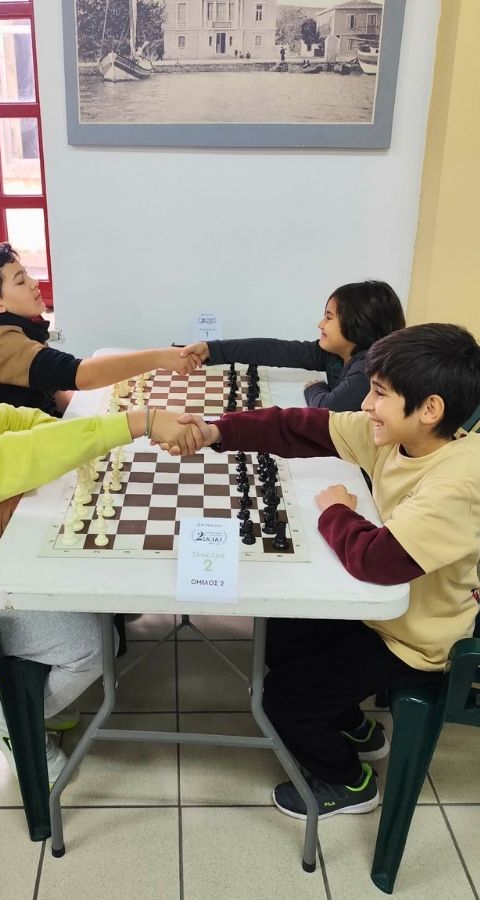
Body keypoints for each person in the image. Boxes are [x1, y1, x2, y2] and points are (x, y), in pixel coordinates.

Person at [0, 297, 204, 783]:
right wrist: (140, 421)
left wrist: (11, 481)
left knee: (96, 588)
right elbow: (26, 451)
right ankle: (7, 716)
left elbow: (28, 428)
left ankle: (33, 689)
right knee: (93, 645)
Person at [169, 323, 480, 820]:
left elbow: (377, 561)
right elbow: (302, 427)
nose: (366, 405)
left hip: (415, 640)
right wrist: (215, 431)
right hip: (385, 615)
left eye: (380, 393)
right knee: (281, 634)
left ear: (430, 410)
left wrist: (336, 510)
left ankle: (347, 781)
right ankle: (355, 726)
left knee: (282, 699)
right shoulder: (400, 437)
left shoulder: (456, 483)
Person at [0, 242, 202, 417]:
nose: (34, 282)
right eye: (20, 281)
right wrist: (159, 358)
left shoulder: (17, 326)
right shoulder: (0, 342)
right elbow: (79, 374)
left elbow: (54, 389)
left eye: (26, 274)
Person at [180, 280, 405, 412]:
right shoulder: (335, 353)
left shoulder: (368, 369)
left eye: (329, 317)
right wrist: (212, 349)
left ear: (358, 324)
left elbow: (327, 409)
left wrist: (314, 388)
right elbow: (274, 350)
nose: (320, 324)